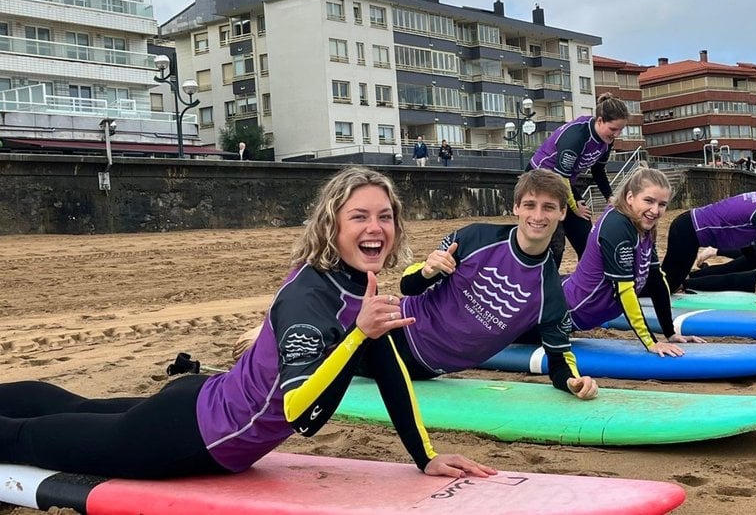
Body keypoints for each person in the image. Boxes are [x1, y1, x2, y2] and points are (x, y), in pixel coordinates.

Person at [0, 167, 494, 481]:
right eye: (359, 216)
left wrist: (425, 456)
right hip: (192, 441)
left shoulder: (350, 285)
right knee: (25, 440)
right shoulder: (311, 297)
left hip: (200, 401)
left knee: (71, 407)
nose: (375, 228)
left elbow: (389, 371)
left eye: (385, 216)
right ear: (332, 227)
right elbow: (302, 411)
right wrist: (358, 335)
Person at [384, 169, 598, 399]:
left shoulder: (551, 294)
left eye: (548, 207)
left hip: (422, 367)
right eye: (530, 205)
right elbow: (408, 286)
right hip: (393, 327)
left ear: (562, 212)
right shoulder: (475, 238)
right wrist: (427, 271)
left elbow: (559, 359)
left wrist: (574, 382)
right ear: (516, 207)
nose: (538, 215)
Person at [563, 167, 705, 357]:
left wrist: (670, 333)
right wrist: (651, 342)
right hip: (560, 312)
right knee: (515, 339)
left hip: (578, 312)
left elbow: (656, 280)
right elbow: (625, 291)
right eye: (648, 201)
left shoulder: (643, 225)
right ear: (630, 198)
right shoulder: (617, 226)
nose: (655, 210)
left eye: (662, 204)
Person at [661, 171, 756, 294]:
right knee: (669, 284)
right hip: (689, 231)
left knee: (667, 281)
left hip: (687, 225)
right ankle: (638, 291)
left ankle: (640, 286)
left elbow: (744, 241)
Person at [528, 93, 629, 266]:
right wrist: (574, 207)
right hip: (539, 181)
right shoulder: (576, 136)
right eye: (613, 129)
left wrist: (611, 198)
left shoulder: (606, 139)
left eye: (620, 130)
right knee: (555, 245)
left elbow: (598, 171)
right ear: (599, 120)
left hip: (563, 182)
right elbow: (561, 177)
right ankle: (545, 285)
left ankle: (587, 284)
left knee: (587, 240)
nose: (616, 134)